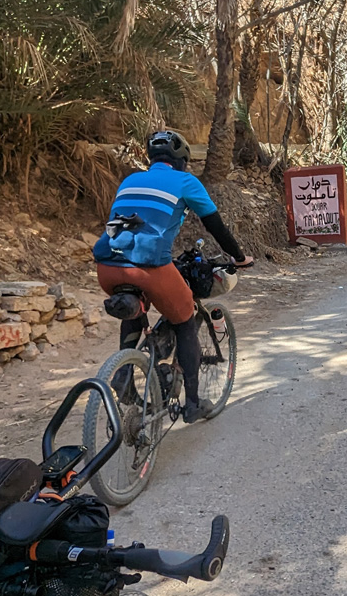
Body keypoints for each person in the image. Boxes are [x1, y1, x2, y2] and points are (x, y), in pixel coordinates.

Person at [93, 130, 254, 422]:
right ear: (182, 160)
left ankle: (124, 372)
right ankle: (192, 404)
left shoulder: (130, 180)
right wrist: (239, 257)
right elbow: (215, 226)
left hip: (107, 266)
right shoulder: (185, 181)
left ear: (152, 158)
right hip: (149, 267)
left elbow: (133, 224)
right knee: (184, 320)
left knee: (135, 307)